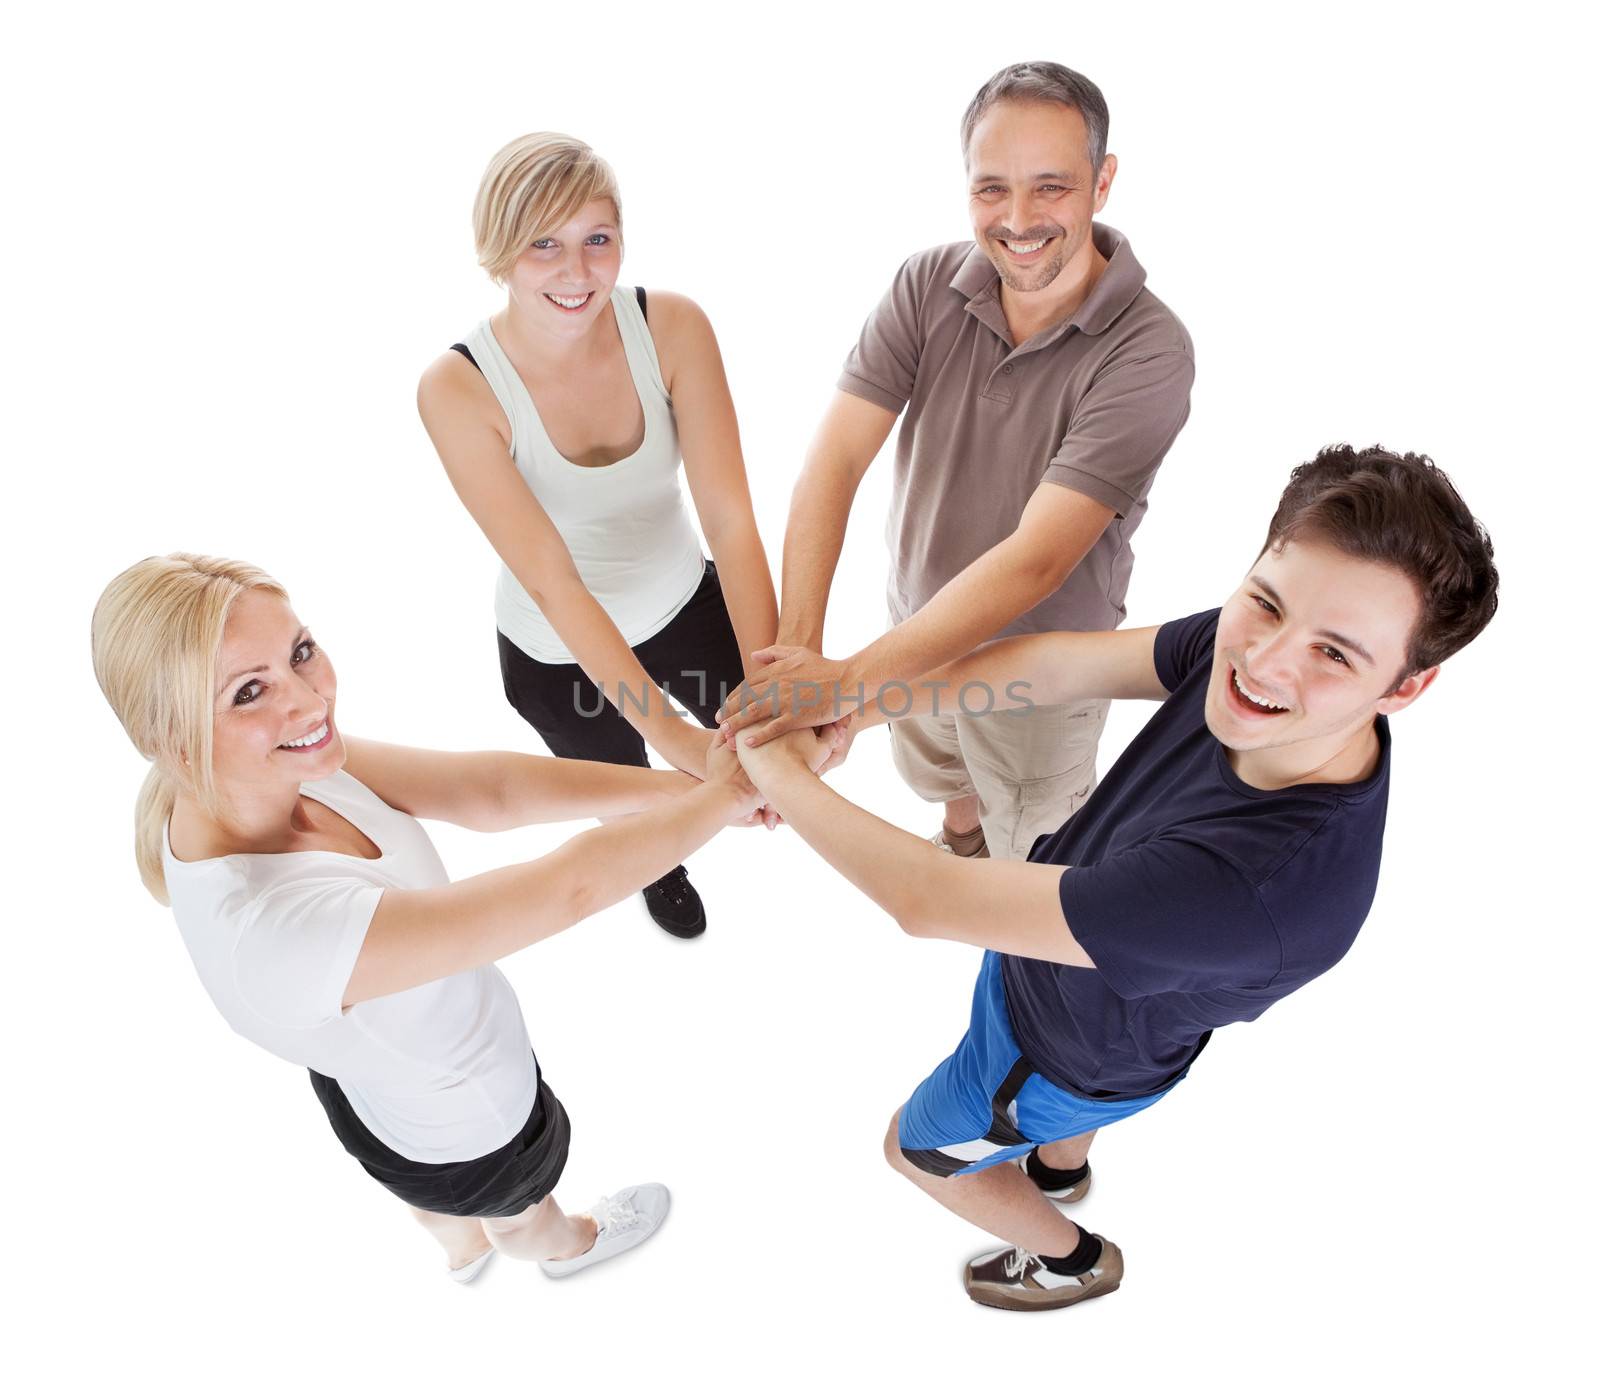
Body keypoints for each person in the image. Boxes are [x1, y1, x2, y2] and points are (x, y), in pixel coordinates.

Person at [729, 446, 1498, 1310]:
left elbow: (927, 901)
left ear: (1408, 686)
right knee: (1079, 1112)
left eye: (1335, 656)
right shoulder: (1263, 649)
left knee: (917, 1149)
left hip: (1054, 1046)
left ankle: (1071, 1257)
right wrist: (856, 706)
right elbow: (1055, 664)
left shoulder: (1250, 893)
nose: (1268, 663)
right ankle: (1056, 1174)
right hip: (1114, 1020)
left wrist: (774, 768)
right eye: (1266, 602)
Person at [90, 554, 830, 1284]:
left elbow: (490, 790)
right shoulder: (275, 934)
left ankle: (456, 1248)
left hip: (378, 1102)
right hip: (479, 1131)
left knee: (423, 1189)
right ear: (176, 739)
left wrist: (689, 784)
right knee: (521, 1213)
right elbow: (566, 889)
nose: (308, 701)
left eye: (300, 652)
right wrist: (725, 796)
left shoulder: (248, 774)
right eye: (249, 691)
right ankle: (560, 1246)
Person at [718, 60, 1193, 863]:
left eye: (1052, 187)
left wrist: (839, 686)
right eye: (991, 189)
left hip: (1040, 674)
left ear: (1103, 181)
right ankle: (962, 833)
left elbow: (1036, 561)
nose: (1018, 218)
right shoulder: (927, 283)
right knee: (942, 778)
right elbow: (834, 459)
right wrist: (801, 658)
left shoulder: (1150, 349)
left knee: (1035, 850)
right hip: (912, 632)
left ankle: (1005, 914)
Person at [419, 132, 778, 939]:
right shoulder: (456, 387)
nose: (575, 272)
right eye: (543, 244)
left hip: (687, 605)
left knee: (772, 757)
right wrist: (672, 733)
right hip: (557, 649)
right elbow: (554, 578)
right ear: (499, 252)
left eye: (597, 240)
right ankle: (661, 869)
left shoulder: (674, 326)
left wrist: (769, 684)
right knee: (631, 798)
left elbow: (731, 516)